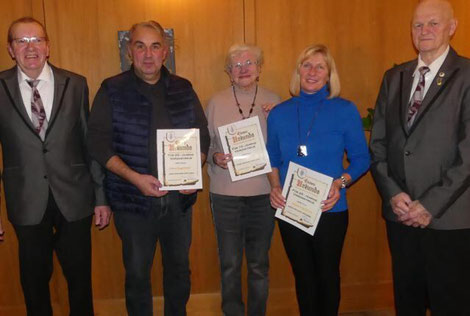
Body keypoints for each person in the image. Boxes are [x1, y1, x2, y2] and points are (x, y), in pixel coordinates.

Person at [87, 20, 209, 316]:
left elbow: (202, 135)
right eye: (140, 46)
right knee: (138, 274)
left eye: (155, 46)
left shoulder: (183, 88)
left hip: (179, 202)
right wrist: (134, 178)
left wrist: (195, 171)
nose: (148, 54)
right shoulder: (111, 89)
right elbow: (98, 144)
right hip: (133, 203)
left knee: (179, 270)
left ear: (165, 52)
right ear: (130, 51)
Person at [0, 17, 111, 316]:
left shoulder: (75, 84)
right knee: (34, 282)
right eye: (21, 41)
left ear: (48, 46)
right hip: (25, 200)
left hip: (74, 197)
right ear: (11, 49)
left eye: (36, 39)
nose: (30, 47)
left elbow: (90, 144)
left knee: (79, 279)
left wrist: (101, 198)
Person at [370, 0, 470, 314]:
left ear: (452, 28)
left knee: (450, 303)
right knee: (407, 301)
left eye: (433, 23)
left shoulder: (467, 75)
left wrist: (429, 204)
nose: (423, 31)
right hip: (401, 216)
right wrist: (393, 193)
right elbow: (379, 144)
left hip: (447, 218)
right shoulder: (394, 77)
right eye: (417, 24)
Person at [267, 44, 369, 316]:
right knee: (303, 276)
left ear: (329, 74)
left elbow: (361, 158)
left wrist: (340, 183)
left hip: (330, 208)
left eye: (320, 66)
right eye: (306, 65)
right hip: (291, 207)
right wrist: (274, 187)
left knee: (327, 275)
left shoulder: (345, 110)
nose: (312, 72)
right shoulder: (279, 113)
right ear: (298, 71)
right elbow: (272, 158)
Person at [205, 44, 280, 316]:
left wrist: (277, 118)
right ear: (228, 72)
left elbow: (285, 145)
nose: (243, 69)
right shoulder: (215, 101)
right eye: (236, 65)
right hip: (225, 195)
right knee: (230, 263)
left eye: (249, 63)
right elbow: (207, 145)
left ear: (260, 68)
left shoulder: (275, 101)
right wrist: (214, 157)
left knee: (259, 264)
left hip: (263, 194)